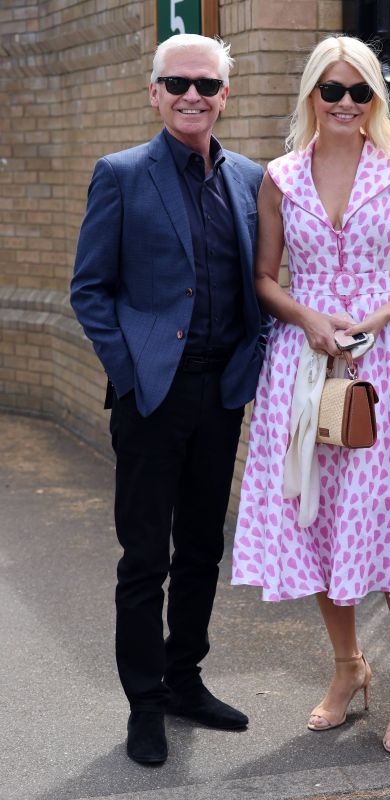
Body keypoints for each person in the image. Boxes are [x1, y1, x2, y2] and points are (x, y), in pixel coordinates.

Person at [231, 35, 390, 754]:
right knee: (318, 522)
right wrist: (308, 319)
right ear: (310, 94)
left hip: (388, 365)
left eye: (358, 92)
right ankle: (347, 669)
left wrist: (372, 318)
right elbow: (265, 277)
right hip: (303, 369)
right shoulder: (278, 176)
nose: (344, 104)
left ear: (374, 99)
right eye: (331, 90)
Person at [71, 33, 269, 765]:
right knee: (144, 555)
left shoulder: (250, 178)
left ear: (226, 95)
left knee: (202, 548)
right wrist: (128, 375)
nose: (193, 95)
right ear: (153, 92)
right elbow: (89, 289)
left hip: (221, 393)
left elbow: (264, 279)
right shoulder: (121, 174)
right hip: (151, 397)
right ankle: (145, 702)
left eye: (207, 84)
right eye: (178, 82)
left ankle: (185, 680)